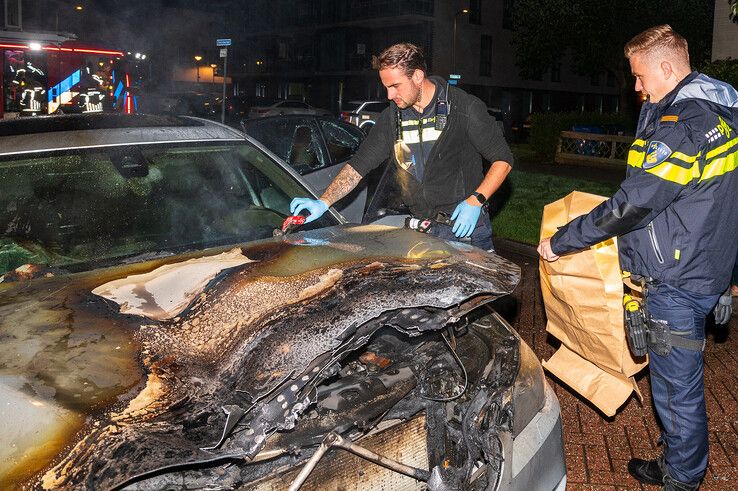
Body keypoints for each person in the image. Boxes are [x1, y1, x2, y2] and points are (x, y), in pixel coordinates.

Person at [538, 25, 738, 490]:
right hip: (704, 264)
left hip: (677, 277)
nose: (636, 87)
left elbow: (635, 203)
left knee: (675, 389)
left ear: (667, 68)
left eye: (640, 76)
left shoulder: (684, 126)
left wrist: (564, 240)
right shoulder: (721, 112)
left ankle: (682, 477)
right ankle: (680, 462)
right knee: (675, 380)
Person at [290, 43, 513, 251]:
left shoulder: (464, 108)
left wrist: (476, 200)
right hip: (423, 230)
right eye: (386, 87)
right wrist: (323, 201)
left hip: (465, 230)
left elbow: (503, 160)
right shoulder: (392, 119)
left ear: (417, 76)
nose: (389, 95)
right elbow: (359, 165)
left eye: (395, 86)